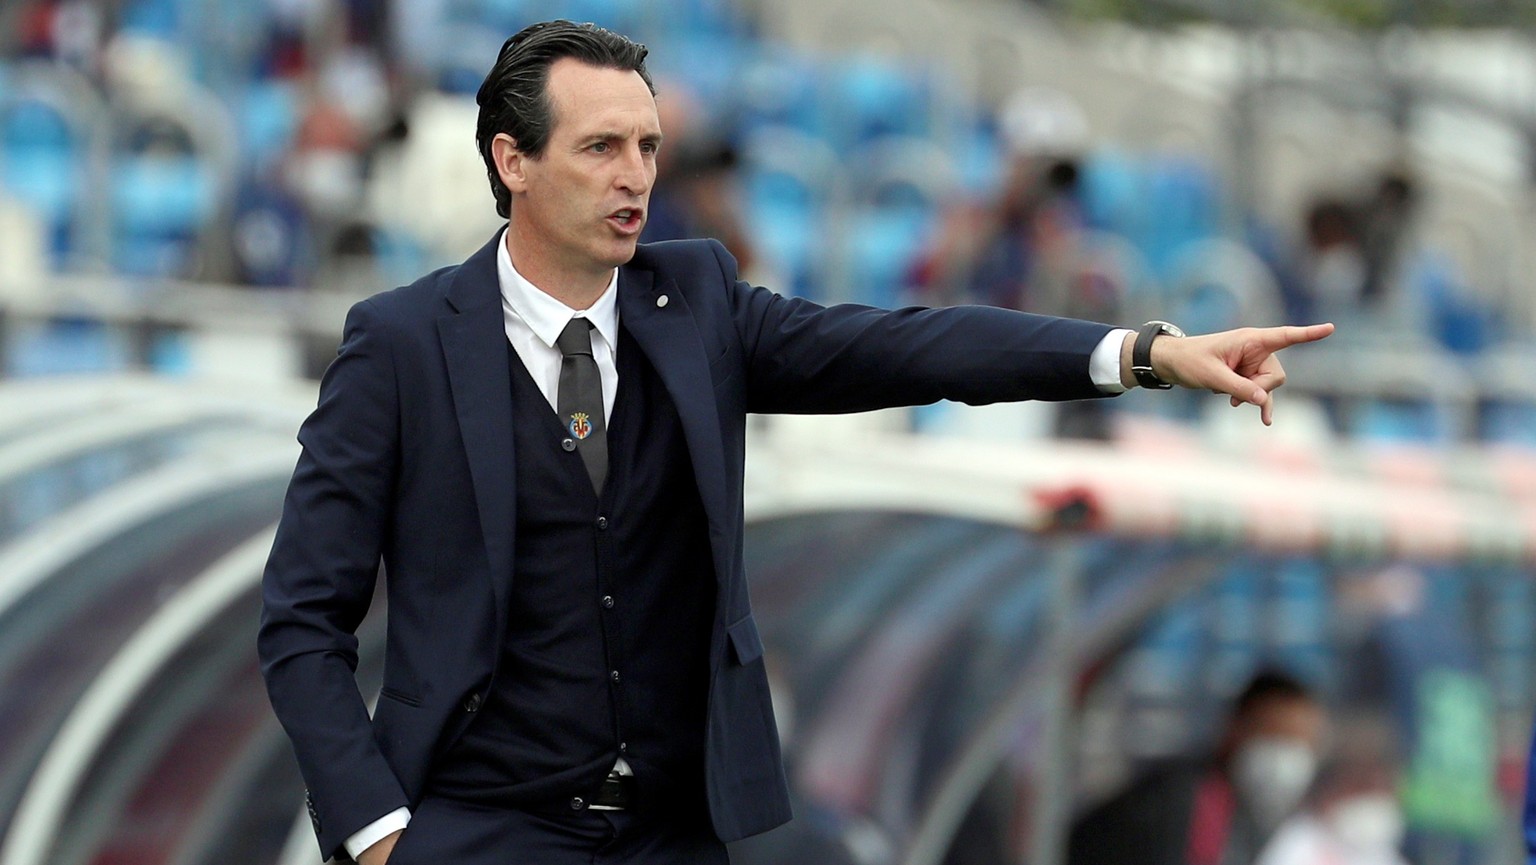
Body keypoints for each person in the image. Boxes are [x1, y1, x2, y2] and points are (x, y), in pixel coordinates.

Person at [257, 20, 1334, 865]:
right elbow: (303, 618)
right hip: (473, 833)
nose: (636, 175)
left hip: (672, 837)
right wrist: (377, 831)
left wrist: (1141, 351)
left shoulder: (701, 302)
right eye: (601, 147)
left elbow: (913, 349)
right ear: (514, 161)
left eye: (647, 146)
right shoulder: (399, 345)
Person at [1068, 670, 1329, 865]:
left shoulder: (1244, 813)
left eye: (1302, 743)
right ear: (1235, 728)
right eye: (1277, 735)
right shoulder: (1190, 799)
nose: (1288, 755)